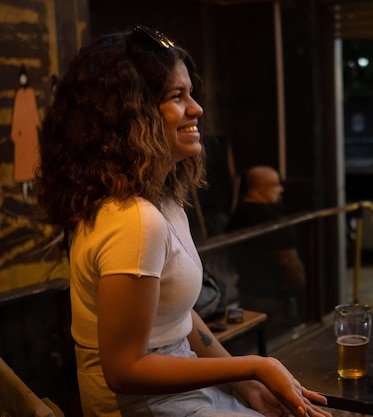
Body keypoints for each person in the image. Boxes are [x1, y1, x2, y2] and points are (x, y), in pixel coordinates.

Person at [36, 26, 330, 417]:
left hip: (179, 389)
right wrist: (257, 365)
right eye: (177, 96)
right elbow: (124, 371)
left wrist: (248, 387)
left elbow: (173, 317)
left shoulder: (162, 201)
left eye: (191, 93)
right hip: (145, 405)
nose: (197, 109)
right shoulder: (134, 220)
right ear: (128, 113)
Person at [226, 166, 307, 329]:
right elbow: (289, 263)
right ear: (262, 188)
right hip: (272, 298)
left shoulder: (238, 214)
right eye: (276, 185)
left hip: (246, 293)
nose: (281, 190)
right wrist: (304, 294)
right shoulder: (274, 222)